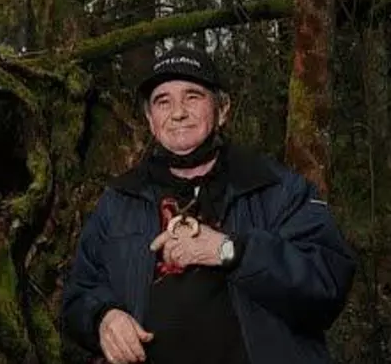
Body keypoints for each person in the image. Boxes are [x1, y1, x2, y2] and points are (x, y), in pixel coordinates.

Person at [61, 46, 356, 364]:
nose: (178, 112)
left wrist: (229, 251)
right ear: (150, 119)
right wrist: (102, 317)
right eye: (163, 101)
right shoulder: (120, 200)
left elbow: (327, 287)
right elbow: (80, 294)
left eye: (193, 96)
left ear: (222, 109)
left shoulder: (275, 189)